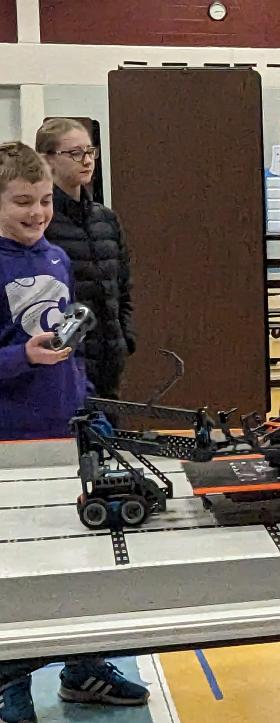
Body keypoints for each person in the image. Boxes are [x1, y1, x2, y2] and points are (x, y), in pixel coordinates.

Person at [0, 141, 149, 721]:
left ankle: (83, 668)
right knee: (20, 569)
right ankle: (9, 683)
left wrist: (86, 404)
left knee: (87, 558)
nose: (36, 213)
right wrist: (22, 360)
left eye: (41, 201)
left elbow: (68, 342)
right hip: (12, 444)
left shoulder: (57, 257)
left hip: (70, 430)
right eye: (20, 202)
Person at [35, 118, 135, 399]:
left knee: (108, 435)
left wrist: (126, 337)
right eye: (74, 153)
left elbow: (124, 286)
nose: (87, 160)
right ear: (47, 159)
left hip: (109, 357)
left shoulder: (106, 219)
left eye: (90, 151)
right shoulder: (42, 221)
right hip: (66, 359)